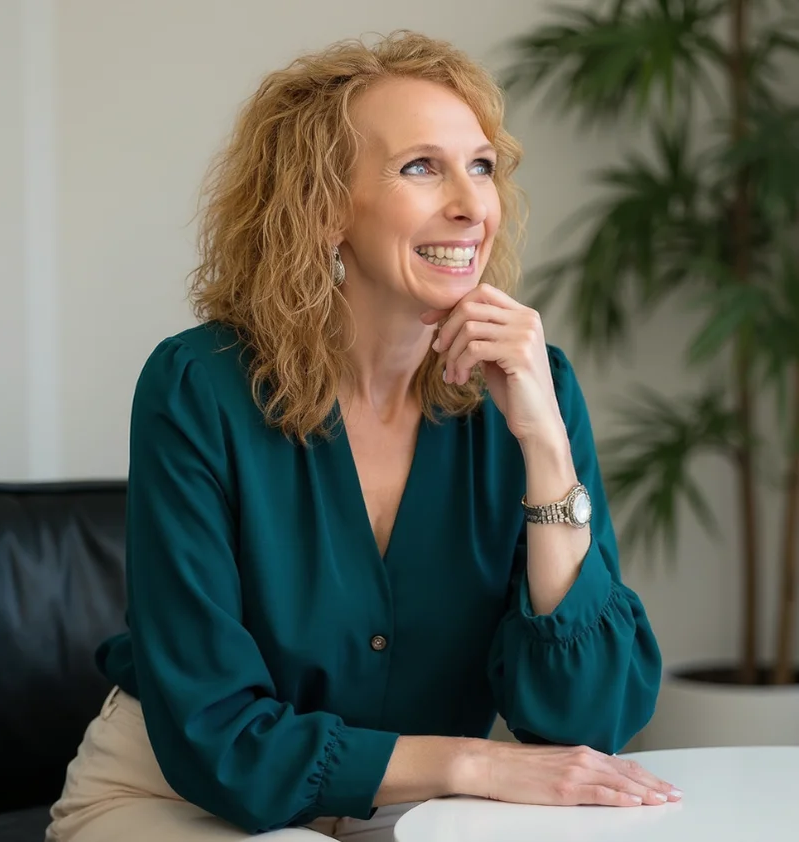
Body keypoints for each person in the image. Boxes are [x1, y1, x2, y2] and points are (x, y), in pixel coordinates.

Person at [45, 30, 680, 842]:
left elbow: (589, 717)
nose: (470, 204)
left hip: (414, 805)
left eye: (481, 166)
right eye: (422, 167)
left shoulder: (534, 389)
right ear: (324, 209)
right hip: (180, 794)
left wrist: (546, 451)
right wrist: (469, 764)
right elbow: (217, 734)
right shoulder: (196, 388)